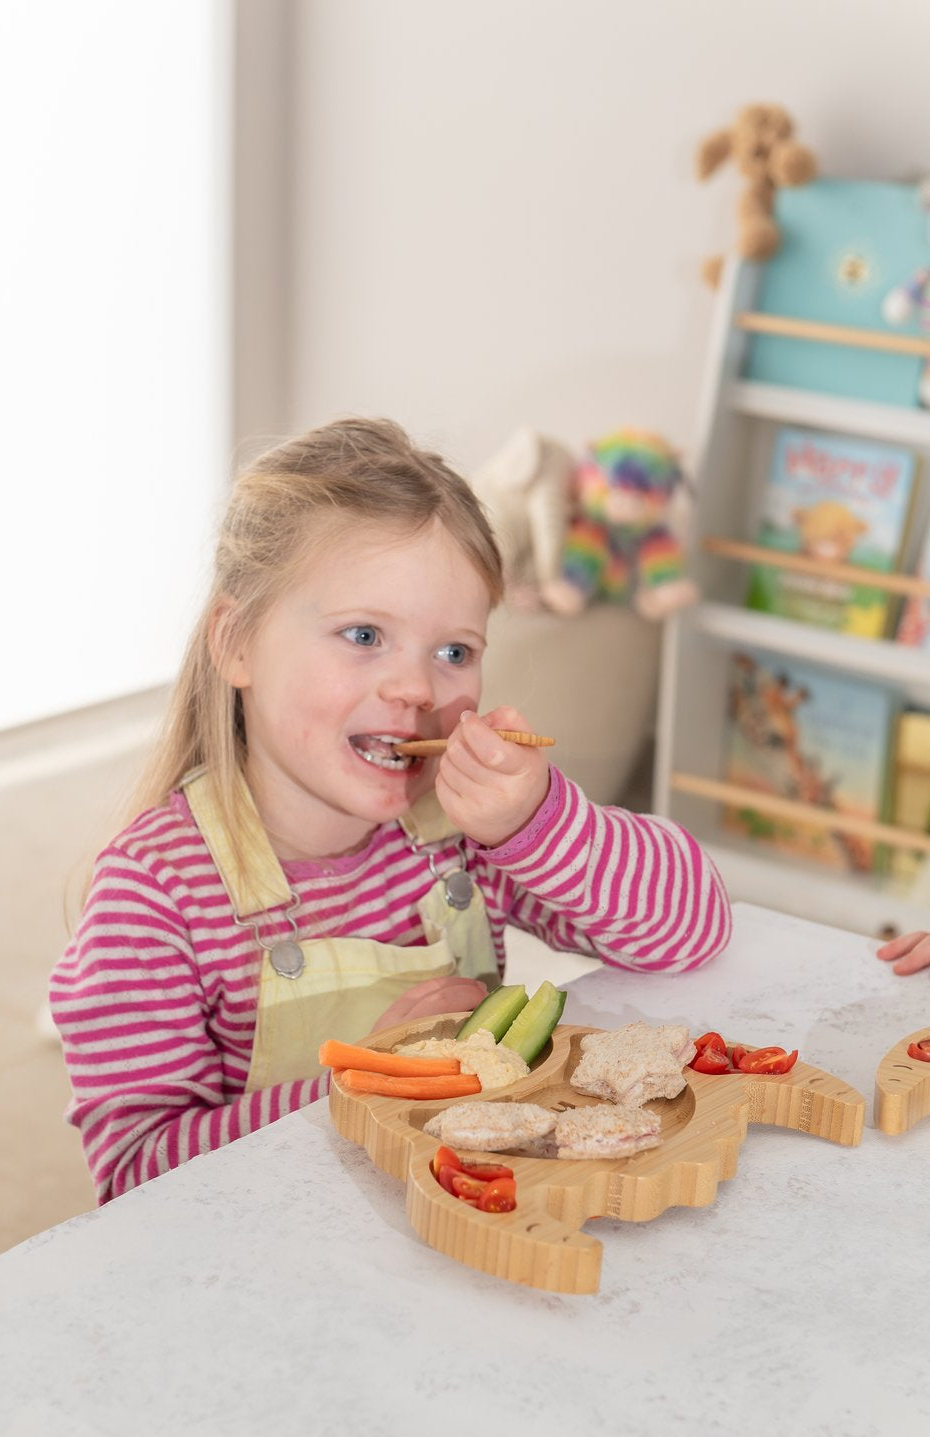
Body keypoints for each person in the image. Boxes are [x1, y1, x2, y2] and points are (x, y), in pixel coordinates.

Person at [50, 417, 732, 1203]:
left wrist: (538, 823)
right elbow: (138, 1180)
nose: (416, 687)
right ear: (237, 643)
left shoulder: (459, 841)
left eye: (454, 653)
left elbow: (692, 931)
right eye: (365, 634)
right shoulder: (152, 898)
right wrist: (370, 1079)